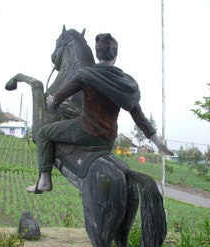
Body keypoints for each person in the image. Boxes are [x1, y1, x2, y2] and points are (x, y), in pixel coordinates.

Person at [26, 33, 173, 194]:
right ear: (115, 56)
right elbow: (138, 116)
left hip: (86, 131)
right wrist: (157, 142)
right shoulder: (125, 83)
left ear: (97, 54)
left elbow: (59, 97)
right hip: (108, 139)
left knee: (43, 133)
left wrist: (52, 101)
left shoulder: (86, 75)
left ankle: (44, 181)